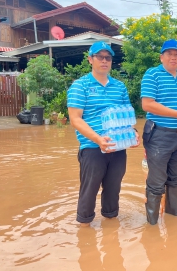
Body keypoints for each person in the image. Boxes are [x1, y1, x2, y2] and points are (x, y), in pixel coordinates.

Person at [67, 41, 140, 226]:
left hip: (117, 147)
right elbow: (75, 119)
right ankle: (84, 228)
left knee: (113, 189)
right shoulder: (79, 86)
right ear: (90, 59)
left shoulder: (120, 87)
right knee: (89, 190)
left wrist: (133, 132)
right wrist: (98, 139)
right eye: (100, 57)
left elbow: (125, 116)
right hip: (92, 147)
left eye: (108, 57)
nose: (104, 61)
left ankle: (110, 226)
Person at [140, 39, 177, 225]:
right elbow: (147, 104)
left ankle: (172, 221)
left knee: (175, 179)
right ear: (161, 57)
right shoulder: (152, 74)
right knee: (156, 181)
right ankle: (152, 225)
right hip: (159, 134)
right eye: (169, 54)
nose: (173, 57)